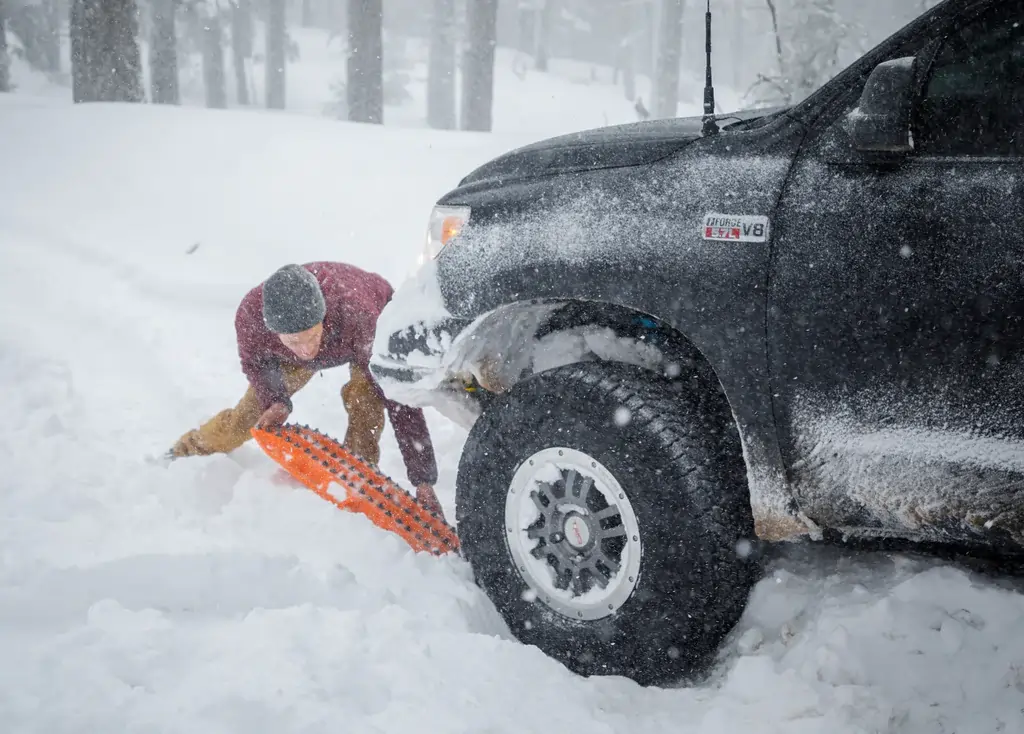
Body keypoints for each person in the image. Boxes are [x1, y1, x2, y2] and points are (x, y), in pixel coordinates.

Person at [169, 261, 443, 515]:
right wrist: (275, 400)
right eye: (294, 341)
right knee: (246, 417)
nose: (307, 350)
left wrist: (422, 479)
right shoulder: (251, 316)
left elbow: (399, 399)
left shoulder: (358, 316)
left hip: (366, 336)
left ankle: (356, 480)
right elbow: (256, 364)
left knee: (365, 402)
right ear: (273, 332)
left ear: (323, 318)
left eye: (312, 336)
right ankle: (185, 450)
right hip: (300, 353)